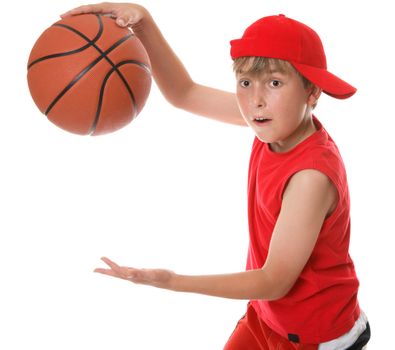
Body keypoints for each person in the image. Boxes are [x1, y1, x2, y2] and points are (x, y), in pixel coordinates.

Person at [61, 3, 370, 349]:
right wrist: (143, 22)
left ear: (312, 92)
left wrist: (172, 281)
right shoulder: (272, 122)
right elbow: (184, 93)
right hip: (267, 315)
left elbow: (274, 281)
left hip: (315, 335)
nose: (255, 100)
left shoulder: (310, 176)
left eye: (274, 82)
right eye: (246, 81)